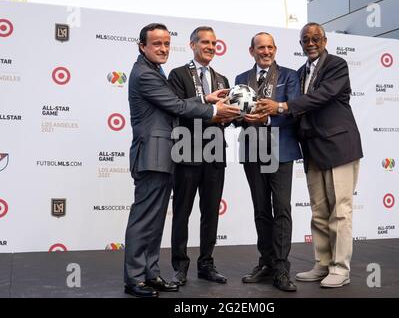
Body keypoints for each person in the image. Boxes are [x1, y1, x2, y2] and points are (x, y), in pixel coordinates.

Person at [124, 23, 239, 298]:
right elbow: (175, 106)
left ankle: (150, 274)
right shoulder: (145, 74)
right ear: (142, 47)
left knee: (154, 223)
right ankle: (134, 279)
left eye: (166, 43)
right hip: (152, 156)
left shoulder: (154, 70)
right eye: (156, 44)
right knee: (143, 221)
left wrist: (206, 98)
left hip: (164, 156)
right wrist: (212, 107)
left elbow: (174, 105)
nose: (163, 49)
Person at [256, 23, 363, 288]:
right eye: (306, 39)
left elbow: (321, 97)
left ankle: (340, 268)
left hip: (339, 146)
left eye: (316, 38)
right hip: (312, 149)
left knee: (340, 210)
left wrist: (281, 106)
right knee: (319, 211)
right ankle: (323, 264)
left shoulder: (336, 65)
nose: (311, 43)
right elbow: (300, 109)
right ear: (301, 43)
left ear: (325, 40)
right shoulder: (301, 72)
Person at [235, 32, 301, 292]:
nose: (266, 51)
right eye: (260, 47)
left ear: (275, 49)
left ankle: (282, 269)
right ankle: (266, 263)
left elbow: (295, 109)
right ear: (251, 51)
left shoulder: (289, 75)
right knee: (261, 210)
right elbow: (236, 113)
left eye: (270, 47)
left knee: (281, 209)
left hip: (280, 150)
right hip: (253, 150)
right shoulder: (241, 79)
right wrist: (243, 118)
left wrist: (268, 119)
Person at [168, 26, 229, 286]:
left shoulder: (223, 79)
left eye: (214, 43)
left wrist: (235, 116)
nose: (210, 46)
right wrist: (207, 102)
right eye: (205, 42)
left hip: (215, 152)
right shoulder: (178, 74)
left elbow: (224, 116)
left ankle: (206, 264)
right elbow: (177, 109)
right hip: (186, 151)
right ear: (192, 45)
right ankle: (180, 266)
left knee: (210, 213)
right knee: (182, 212)